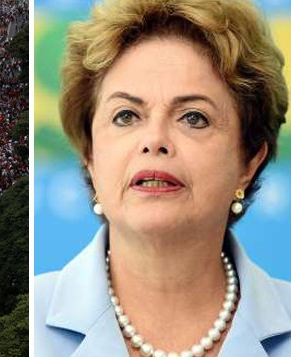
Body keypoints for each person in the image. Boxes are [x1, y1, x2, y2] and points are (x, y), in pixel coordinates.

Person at [34, 0, 291, 355]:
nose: (154, 140)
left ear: (248, 161)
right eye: (126, 115)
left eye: (193, 118)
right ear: (90, 156)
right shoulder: (32, 321)